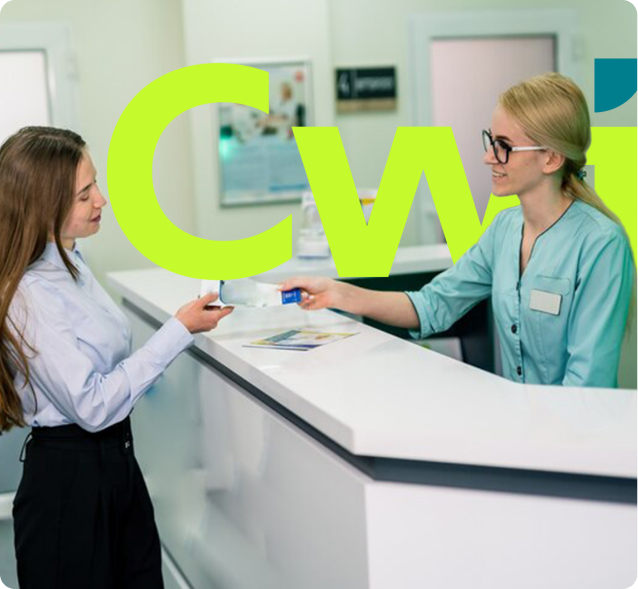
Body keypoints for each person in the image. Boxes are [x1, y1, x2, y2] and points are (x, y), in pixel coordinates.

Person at [279, 73, 636, 388]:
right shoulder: (505, 229)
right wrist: (338, 293)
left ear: (552, 158)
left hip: (577, 434)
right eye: (491, 141)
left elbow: (587, 381)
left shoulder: (601, 244)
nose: (488, 157)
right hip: (523, 427)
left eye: (504, 147)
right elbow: (432, 306)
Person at [0, 126, 234, 588]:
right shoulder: (29, 293)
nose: (101, 200)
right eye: (84, 193)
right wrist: (179, 330)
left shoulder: (72, 262)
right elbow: (91, 405)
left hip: (117, 467)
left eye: (96, 185)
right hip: (69, 486)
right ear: (43, 206)